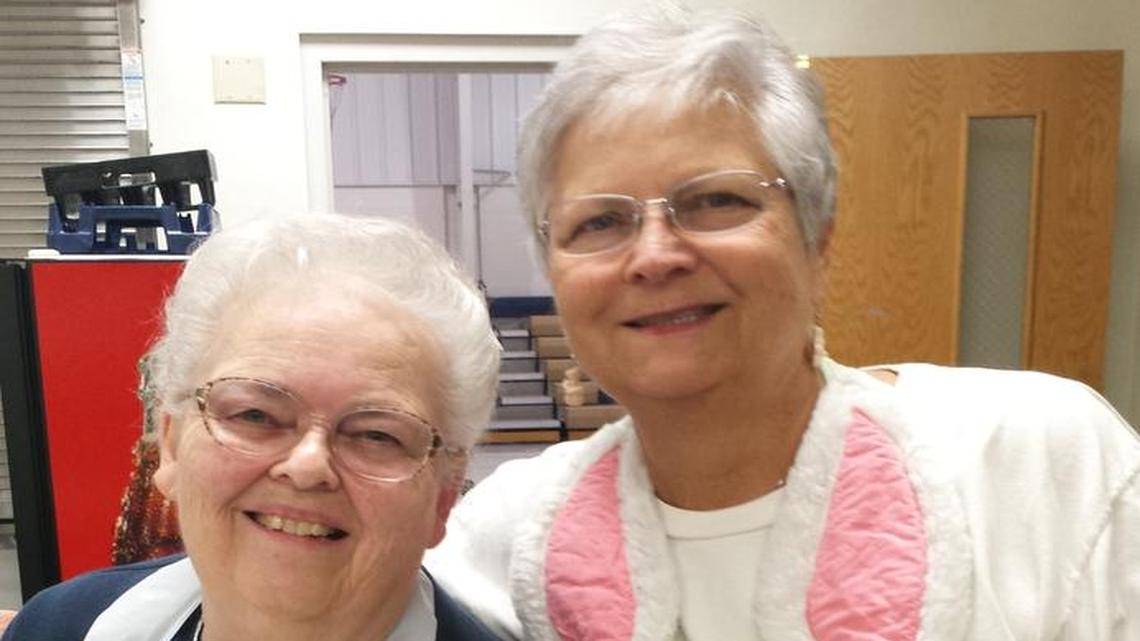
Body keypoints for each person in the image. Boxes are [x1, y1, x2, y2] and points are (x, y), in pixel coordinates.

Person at [425, 7, 1140, 641]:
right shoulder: (508, 537)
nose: (655, 255)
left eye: (715, 200)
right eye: (601, 220)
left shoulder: (1035, 463)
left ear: (817, 238)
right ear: (553, 272)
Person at [2, 214, 503, 641]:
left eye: (377, 435)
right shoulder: (59, 625)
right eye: (254, 415)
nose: (308, 466)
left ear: (444, 496)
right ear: (171, 445)